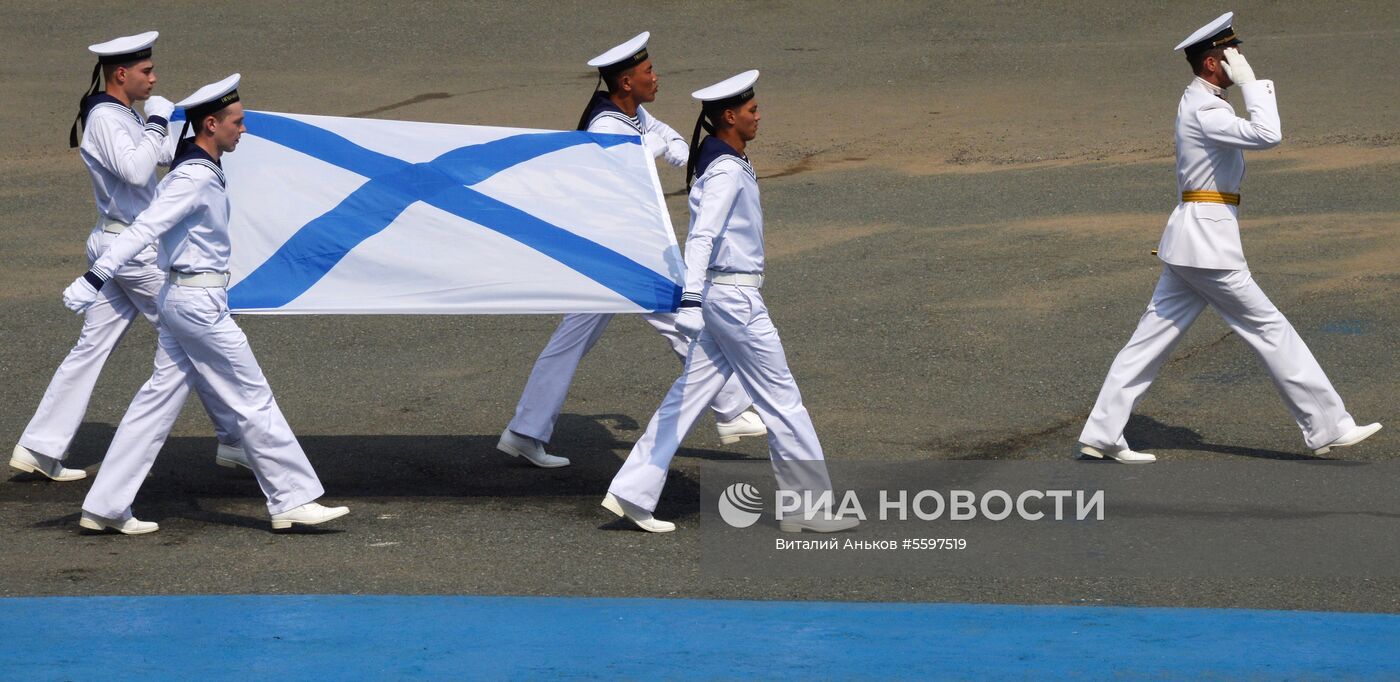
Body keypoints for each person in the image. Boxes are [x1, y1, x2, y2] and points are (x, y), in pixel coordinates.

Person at [1076, 12, 1381, 463]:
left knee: (1149, 341)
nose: (1238, 60)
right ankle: (1329, 426)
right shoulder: (1206, 108)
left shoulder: (1202, 102)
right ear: (1212, 65)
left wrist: (1246, 82)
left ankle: (1102, 433)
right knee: (1270, 329)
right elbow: (1268, 134)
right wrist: (1254, 83)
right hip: (1207, 244)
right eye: (1230, 55)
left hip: (1191, 242)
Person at [63, 74, 348, 534]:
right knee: (252, 395)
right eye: (237, 122)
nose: (244, 129)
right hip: (197, 303)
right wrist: (96, 277)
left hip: (187, 298)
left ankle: (106, 505)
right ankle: (292, 498)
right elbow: (142, 228)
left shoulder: (201, 169)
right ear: (210, 124)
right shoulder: (192, 177)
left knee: (155, 403)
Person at [602, 71, 858, 534]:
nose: (759, 116)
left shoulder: (728, 158)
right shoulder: (723, 169)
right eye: (752, 111)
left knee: (688, 394)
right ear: (729, 116)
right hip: (734, 299)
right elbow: (702, 236)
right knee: (782, 400)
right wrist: (693, 299)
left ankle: (631, 492)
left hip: (725, 295)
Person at [498, 32, 764, 469]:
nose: (656, 78)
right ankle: (731, 410)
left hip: (608, 248)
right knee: (681, 317)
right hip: (614, 251)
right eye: (647, 73)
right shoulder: (606, 124)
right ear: (625, 82)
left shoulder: (632, 112)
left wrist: (661, 147)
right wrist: (656, 148)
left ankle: (525, 430)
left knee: (570, 341)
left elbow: (672, 142)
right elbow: (636, 160)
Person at [10, 31, 249, 483]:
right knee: (194, 339)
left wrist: (171, 128)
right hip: (134, 254)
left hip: (116, 244)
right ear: (122, 74)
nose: (154, 78)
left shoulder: (119, 113)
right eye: (147, 71)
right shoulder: (106, 117)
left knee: (91, 349)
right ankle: (234, 439)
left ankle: (40, 446)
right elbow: (138, 169)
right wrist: (158, 122)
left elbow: (153, 157)